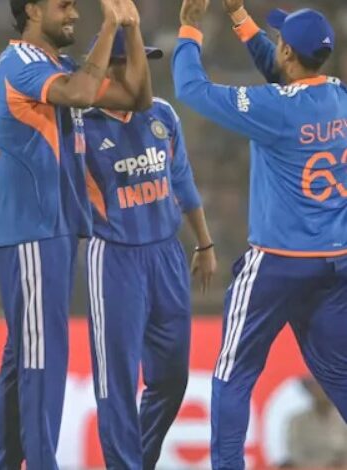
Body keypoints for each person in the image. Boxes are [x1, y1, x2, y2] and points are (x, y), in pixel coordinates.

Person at [173, 1, 347, 469]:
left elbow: (190, 88)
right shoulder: (339, 96)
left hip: (277, 263)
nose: (277, 46)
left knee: (233, 375)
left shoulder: (275, 109)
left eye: (280, 41)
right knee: (341, 376)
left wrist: (189, 27)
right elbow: (284, 75)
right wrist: (239, 17)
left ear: (287, 51)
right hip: (335, 263)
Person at [0, 0, 153, 468]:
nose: (75, 13)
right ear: (33, 10)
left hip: (52, 229)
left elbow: (136, 98)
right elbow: (80, 94)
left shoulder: (58, 66)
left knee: (24, 360)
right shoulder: (19, 61)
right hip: (32, 231)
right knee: (44, 361)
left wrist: (131, 28)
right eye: (65, 5)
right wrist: (109, 25)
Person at [83, 29, 216, 470]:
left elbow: (183, 181)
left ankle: (139, 460)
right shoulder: (81, 125)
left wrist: (204, 242)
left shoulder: (162, 113)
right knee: (117, 384)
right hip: (115, 256)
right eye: (131, 61)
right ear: (109, 66)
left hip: (167, 254)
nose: (142, 71)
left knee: (172, 379)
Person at [284, 377, 347, 468]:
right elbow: (296, 455)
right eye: (314, 384)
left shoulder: (343, 418)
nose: (320, 389)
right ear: (307, 388)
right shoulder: (297, 422)